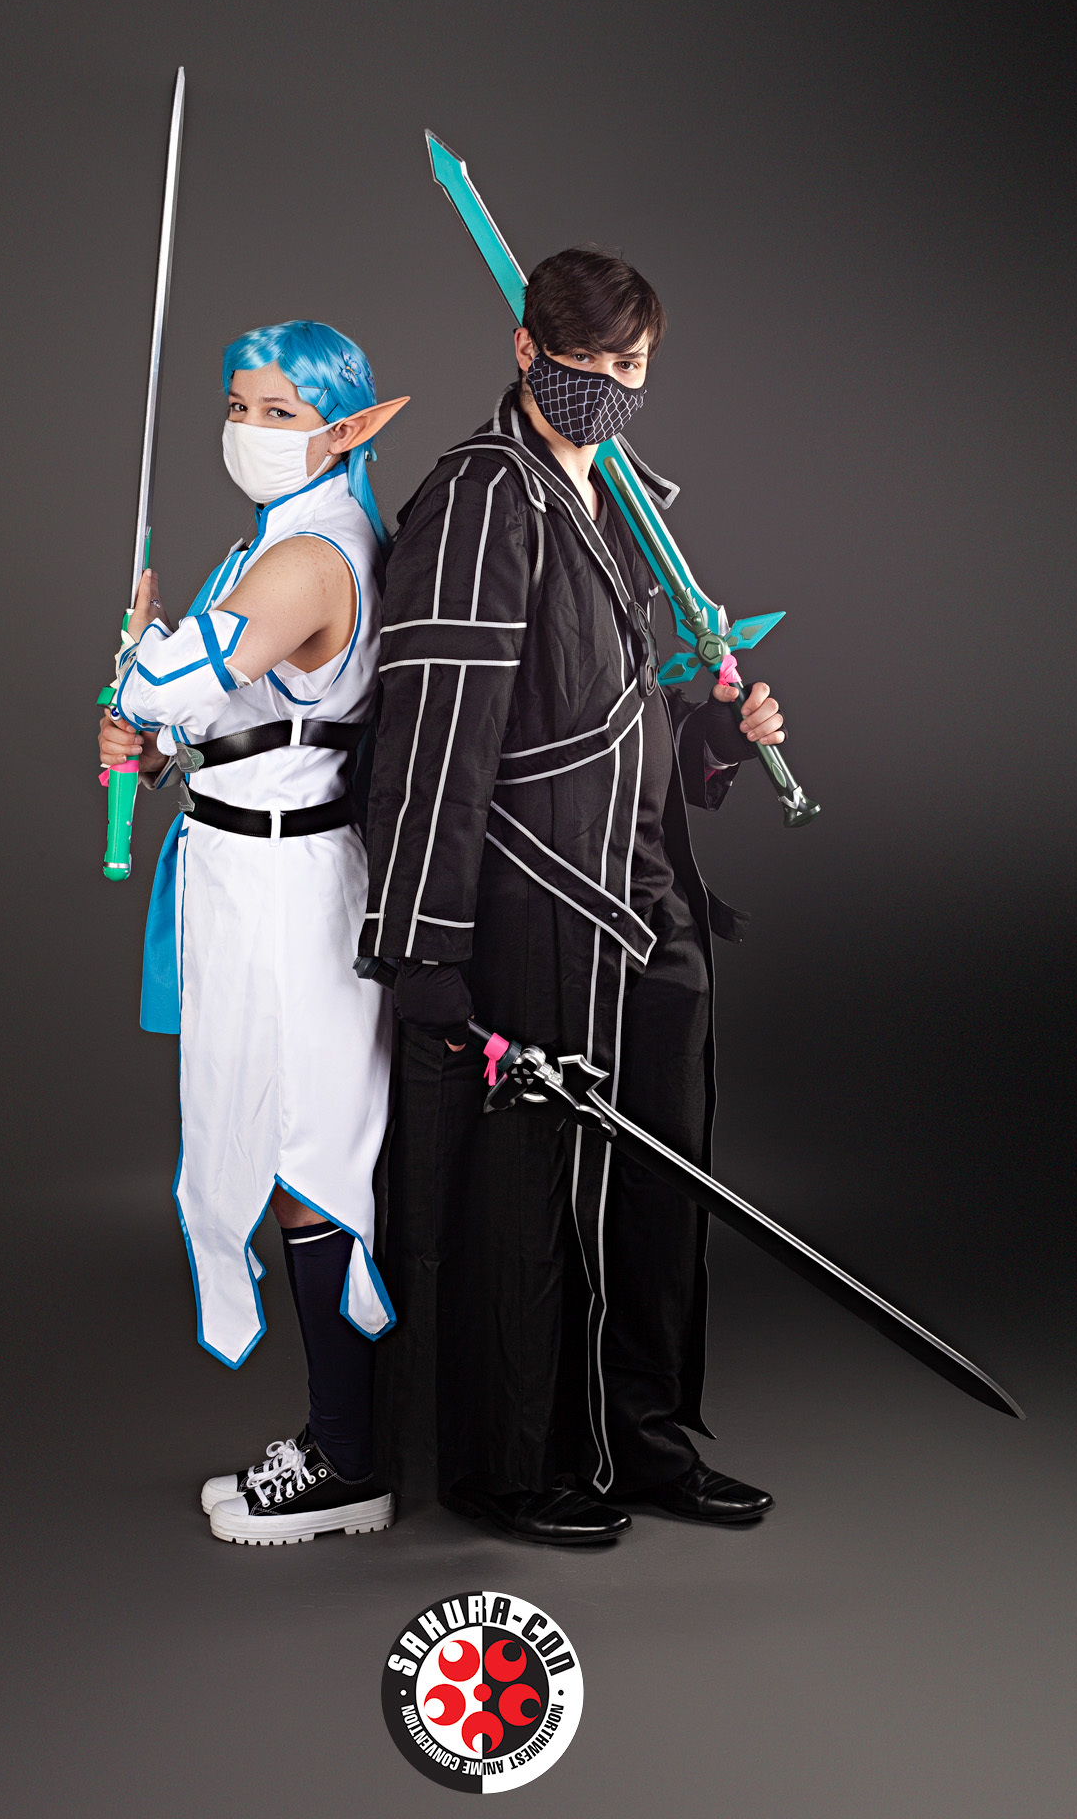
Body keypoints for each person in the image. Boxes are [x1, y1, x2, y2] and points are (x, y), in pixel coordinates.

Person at [359, 248, 788, 1546]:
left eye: (628, 363)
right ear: (524, 347)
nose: (605, 382)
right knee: (529, 1190)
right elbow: (435, 736)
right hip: (537, 902)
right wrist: (424, 947)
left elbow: (609, 717)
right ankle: (513, 1467)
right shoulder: (480, 500)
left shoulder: (619, 502)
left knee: (658, 1185)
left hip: (646, 899)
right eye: (582, 358)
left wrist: (708, 738)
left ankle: (638, 1442)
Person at [100, 319, 407, 1545]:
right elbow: (219, 712)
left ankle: (349, 1461)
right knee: (283, 1152)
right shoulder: (277, 539)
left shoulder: (312, 556)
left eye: (280, 411)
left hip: (288, 891)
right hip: (243, 872)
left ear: (345, 429)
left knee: (307, 1159)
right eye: (239, 404)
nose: (250, 428)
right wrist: (157, 741)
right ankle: (345, 1438)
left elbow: (174, 682)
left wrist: (142, 674)